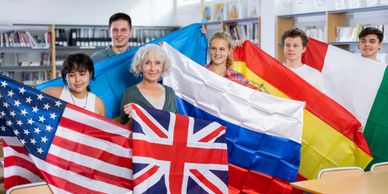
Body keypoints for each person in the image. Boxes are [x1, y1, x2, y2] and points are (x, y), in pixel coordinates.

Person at [120, 44, 177, 126]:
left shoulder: (170, 92)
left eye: (157, 63)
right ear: (140, 66)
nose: (153, 68)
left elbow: (176, 124)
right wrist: (134, 118)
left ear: (163, 66)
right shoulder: (129, 94)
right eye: (147, 63)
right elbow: (123, 131)